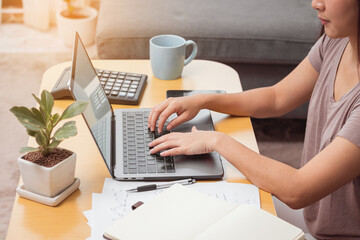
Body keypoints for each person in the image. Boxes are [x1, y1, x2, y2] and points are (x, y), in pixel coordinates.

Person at [147, 0, 360, 239]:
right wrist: (202, 100)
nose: (315, 4)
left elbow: (298, 190)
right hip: (312, 216)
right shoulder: (337, 42)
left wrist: (216, 141)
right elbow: (277, 98)